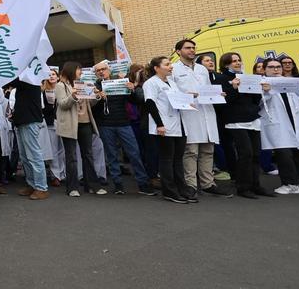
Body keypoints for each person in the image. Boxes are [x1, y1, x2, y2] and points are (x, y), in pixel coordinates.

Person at [171, 39, 230, 198]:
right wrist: (191, 95)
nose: (191, 50)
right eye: (187, 48)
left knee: (208, 150)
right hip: (188, 113)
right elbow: (173, 93)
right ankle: (190, 185)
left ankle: (208, 183)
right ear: (178, 51)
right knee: (191, 151)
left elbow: (207, 88)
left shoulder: (202, 69)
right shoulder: (174, 69)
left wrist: (217, 94)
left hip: (206, 111)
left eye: (193, 48)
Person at [92, 61, 156, 196]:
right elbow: (91, 107)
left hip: (124, 123)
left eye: (104, 69)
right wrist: (97, 96)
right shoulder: (94, 87)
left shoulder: (120, 82)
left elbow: (136, 101)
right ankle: (118, 184)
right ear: (95, 74)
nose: (101, 72)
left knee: (134, 153)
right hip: (105, 125)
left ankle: (143, 183)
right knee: (112, 155)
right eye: (98, 71)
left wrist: (132, 89)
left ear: (109, 71)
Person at [217, 52, 274, 199]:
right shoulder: (222, 78)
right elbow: (224, 100)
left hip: (252, 118)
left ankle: (256, 185)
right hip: (235, 120)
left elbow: (255, 99)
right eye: (233, 61)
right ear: (226, 64)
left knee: (256, 154)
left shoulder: (247, 76)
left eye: (239, 60)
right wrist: (234, 88)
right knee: (245, 153)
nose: (237, 63)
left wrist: (262, 90)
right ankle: (243, 187)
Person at [260, 58, 299, 194]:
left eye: (278, 67)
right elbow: (259, 103)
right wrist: (267, 91)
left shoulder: (291, 81)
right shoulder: (261, 83)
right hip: (278, 124)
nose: (276, 70)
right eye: (272, 67)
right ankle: (288, 183)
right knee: (284, 154)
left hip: (296, 122)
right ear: (264, 69)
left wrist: (294, 85)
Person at [143, 56, 189, 204]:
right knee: (167, 159)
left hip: (178, 125)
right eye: (167, 64)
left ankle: (182, 189)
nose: (171, 67)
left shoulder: (172, 83)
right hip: (164, 126)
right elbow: (150, 104)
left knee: (178, 158)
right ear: (157, 68)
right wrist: (159, 124)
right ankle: (169, 191)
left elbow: (179, 100)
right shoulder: (151, 83)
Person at [55, 62, 105, 196]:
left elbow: (89, 103)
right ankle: (72, 187)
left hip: (85, 122)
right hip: (70, 124)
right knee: (71, 156)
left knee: (88, 155)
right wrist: (73, 96)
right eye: (79, 70)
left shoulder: (82, 84)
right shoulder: (60, 86)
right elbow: (63, 104)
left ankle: (92, 185)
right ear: (71, 71)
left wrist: (97, 95)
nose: (81, 73)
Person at [7, 78, 50, 200]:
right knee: (25, 156)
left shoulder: (30, 77)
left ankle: (41, 187)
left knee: (34, 155)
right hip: (21, 120)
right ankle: (32, 184)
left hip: (30, 120)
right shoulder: (25, 78)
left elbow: (11, 81)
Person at [198, 54, 234, 180]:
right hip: (206, 114)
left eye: (211, 60)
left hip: (222, 114)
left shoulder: (220, 77)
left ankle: (231, 169)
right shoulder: (199, 78)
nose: (210, 62)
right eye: (207, 61)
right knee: (213, 144)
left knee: (227, 143)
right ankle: (218, 168)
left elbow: (229, 94)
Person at [41, 69, 64, 186]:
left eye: (53, 74)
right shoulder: (43, 91)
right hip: (51, 122)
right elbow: (43, 109)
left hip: (64, 122)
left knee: (64, 150)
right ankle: (56, 175)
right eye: (48, 74)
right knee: (54, 151)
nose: (51, 76)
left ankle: (63, 173)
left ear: (58, 76)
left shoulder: (64, 88)